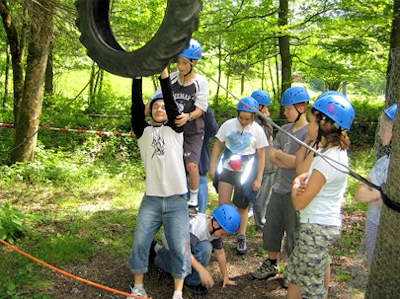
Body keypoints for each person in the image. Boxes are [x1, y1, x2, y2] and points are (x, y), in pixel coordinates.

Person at [126, 68, 191, 299]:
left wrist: (164, 74)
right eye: (155, 106)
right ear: (150, 110)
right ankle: (138, 288)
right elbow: (135, 108)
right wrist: (137, 75)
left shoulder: (176, 130)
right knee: (140, 242)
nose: (160, 108)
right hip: (152, 200)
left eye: (163, 106)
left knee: (179, 246)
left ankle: (177, 292)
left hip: (176, 200)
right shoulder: (142, 132)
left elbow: (172, 104)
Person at [287, 93, 355, 299]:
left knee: (312, 291)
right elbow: (309, 175)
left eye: (312, 118)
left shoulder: (330, 159)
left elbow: (299, 202)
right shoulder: (329, 152)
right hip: (314, 226)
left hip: (316, 228)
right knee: (296, 280)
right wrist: (302, 179)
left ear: (323, 123)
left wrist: (295, 185)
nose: (308, 123)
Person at [252, 86, 309, 280]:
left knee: (293, 232)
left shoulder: (309, 133)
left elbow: (298, 163)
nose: (284, 113)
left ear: (301, 107)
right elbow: (272, 155)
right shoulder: (284, 130)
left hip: (296, 192)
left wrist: (286, 159)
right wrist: (287, 159)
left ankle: (293, 270)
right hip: (278, 188)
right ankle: (271, 262)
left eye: (288, 109)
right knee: (272, 228)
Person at [209, 96, 268, 255]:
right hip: (228, 167)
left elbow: (262, 155)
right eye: (241, 117)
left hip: (247, 169)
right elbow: (218, 146)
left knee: (242, 206)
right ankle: (219, 234)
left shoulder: (258, 130)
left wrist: (259, 178)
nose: (243, 121)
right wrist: (212, 166)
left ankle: (241, 236)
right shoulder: (228, 125)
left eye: (247, 119)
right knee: (223, 203)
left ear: (254, 117)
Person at [153, 204, 240, 296]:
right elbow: (184, 252)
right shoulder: (197, 228)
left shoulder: (215, 230)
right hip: (172, 239)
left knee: (206, 247)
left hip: (188, 244)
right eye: (223, 234)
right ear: (216, 224)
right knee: (187, 258)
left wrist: (225, 277)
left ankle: (191, 280)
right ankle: (158, 255)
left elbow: (220, 253)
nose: (223, 237)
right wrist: (201, 270)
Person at [170, 38, 209, 212]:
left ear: (195, 63)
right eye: (178, 62)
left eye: (184, 63)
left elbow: (201, 108)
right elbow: (158, 97)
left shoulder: (201, 82)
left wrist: (188, 116)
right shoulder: (171, 78)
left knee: (192, 165)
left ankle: (193, 200)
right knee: (173, 164)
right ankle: (174, 195)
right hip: (173, 129)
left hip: (193, 130)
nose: (180, 67)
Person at [355, 103, 397, 263]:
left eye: (384, 129)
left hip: (390, 228)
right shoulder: (382, 162)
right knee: (375, 265)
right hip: (374, 223)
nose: (379, 133)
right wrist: (382, 195)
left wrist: (379, 196)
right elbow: (360, 193)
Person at [250, 89, 276, 229]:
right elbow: (266, 135)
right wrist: (267, 120)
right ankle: (259, 220)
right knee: (259, 196)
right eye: (266, 106)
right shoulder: (255, 122)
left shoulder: (261, 121)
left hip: (265, 165)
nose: (267, 109)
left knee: (262, 196)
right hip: (260, 165)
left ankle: (259, 219)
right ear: (260, 107)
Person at [198, 108, 219, 213]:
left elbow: (214, 130)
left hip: (200, 167)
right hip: (178, 170)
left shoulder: (204, 112)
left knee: (198, 213)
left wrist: (204, 106)